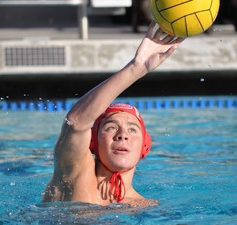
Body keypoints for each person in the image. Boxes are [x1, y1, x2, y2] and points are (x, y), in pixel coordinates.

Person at [41, 21, 184, 207]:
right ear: (93, 141)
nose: (122, 134)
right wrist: (137, 68)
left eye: (133, 130)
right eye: (111, 127)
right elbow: (76, 122)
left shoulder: (148, 207)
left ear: (144, 146)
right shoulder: (73, 175)